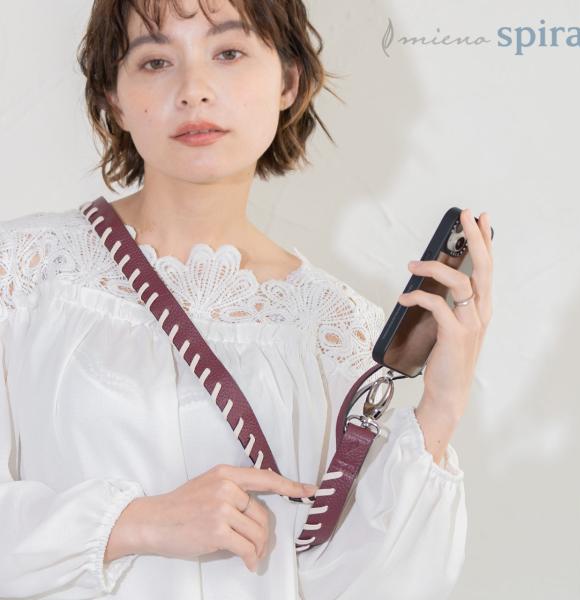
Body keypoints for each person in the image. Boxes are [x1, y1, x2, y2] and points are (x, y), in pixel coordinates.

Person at [0, 0, 494, 598]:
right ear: (114, 97)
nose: (194, 89)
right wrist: (135, 523)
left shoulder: (337, 330)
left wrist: (440, 408)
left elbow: (370, 586)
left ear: (288, 81)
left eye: (229, 52)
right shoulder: (24, 274)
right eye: (155, 61)